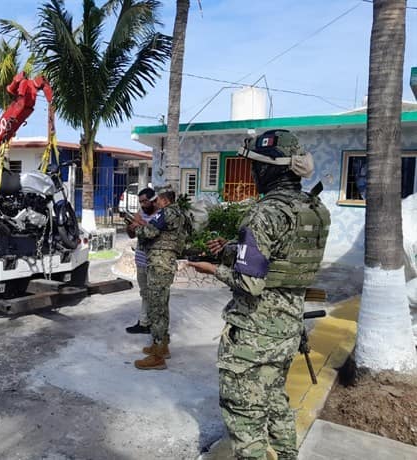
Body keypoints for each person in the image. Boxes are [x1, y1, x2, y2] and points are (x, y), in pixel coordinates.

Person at [188, 129, 330, 460]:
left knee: (244, 413)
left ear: (269, 168)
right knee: (274, 399)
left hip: (254, 334)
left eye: (255, 166)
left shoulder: (264, 213)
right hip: (288, 329)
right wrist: (230, 250)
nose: (252, 173)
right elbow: (282, 258)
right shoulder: (313, 209)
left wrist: (214, 269)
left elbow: (250, 283)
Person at [130, 186, 187, 370]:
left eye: (157, 200)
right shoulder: (180, 213)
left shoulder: (167, 212)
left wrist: (137, 227)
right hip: (166, 262)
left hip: (160, 263)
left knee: (156, 305)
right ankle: (161, 346)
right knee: (161, 304)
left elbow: (149, 232)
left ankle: (157, 357)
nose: (156, 204)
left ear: (163, 200)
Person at [125, 187, 157, 334]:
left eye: (145, 201)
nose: (143, 205)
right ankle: (144, 322)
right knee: (144, 292)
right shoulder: (140, 214)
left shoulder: (161, 215)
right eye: (140, 202)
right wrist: (130, 226)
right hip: (141, 259)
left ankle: (151, 323)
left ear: (153, 200)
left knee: (155, 294)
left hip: (154, 262)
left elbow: (155, 233)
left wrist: (141, 224)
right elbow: (132, 236)